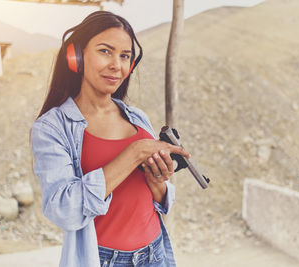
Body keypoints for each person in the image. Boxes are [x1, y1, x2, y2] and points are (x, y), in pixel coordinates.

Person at [30, 11, 189, 267]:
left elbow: (158, 199)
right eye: (105, 51)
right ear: (76, 56)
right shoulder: (51, 128)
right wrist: (133, 154)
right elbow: (63, 210)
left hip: (155, 252)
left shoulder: (137, 117)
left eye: (125, 56)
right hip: (104, 260)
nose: (117, 65)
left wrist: (157, 182)